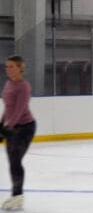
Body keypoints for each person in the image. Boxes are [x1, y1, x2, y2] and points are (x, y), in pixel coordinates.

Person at [0, 55, 36, 210]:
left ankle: (18, 196)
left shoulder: (24, 87)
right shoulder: (8, 84)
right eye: (6, 67)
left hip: (25, 128)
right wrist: (1, 124)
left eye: (12, 66)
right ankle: (16, 195)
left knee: (15, 161)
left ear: (20, 68)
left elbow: (19, 110)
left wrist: (6, 129)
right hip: (12, 128)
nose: (8, 69)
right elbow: (8, 108)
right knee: (12, 162)